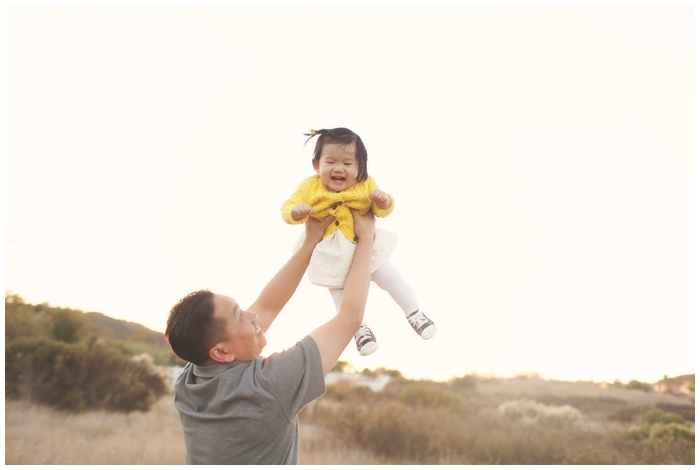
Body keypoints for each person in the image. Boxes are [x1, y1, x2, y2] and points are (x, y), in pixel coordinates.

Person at [165, 209, 375, 465]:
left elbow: (266, 306)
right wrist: (366, 239)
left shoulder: (190, 381)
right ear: (220, 352)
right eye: (240, 316)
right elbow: (350, 317)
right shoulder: (267, 386)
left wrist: (310, 242)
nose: (252, 316)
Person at [281, 127, 437, 356]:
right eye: (331, 161)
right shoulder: (309, 187)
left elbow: (384, 209)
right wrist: (296, 211)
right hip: (331, 252)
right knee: (340, 296)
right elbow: (286, 208)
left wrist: (382, 201)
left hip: (365, 247)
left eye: (347, 163)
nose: (338, 168)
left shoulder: (366, 185)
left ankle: (414, 312)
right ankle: (358, 330)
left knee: (392, 280)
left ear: (359, 168)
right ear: (316, 165)